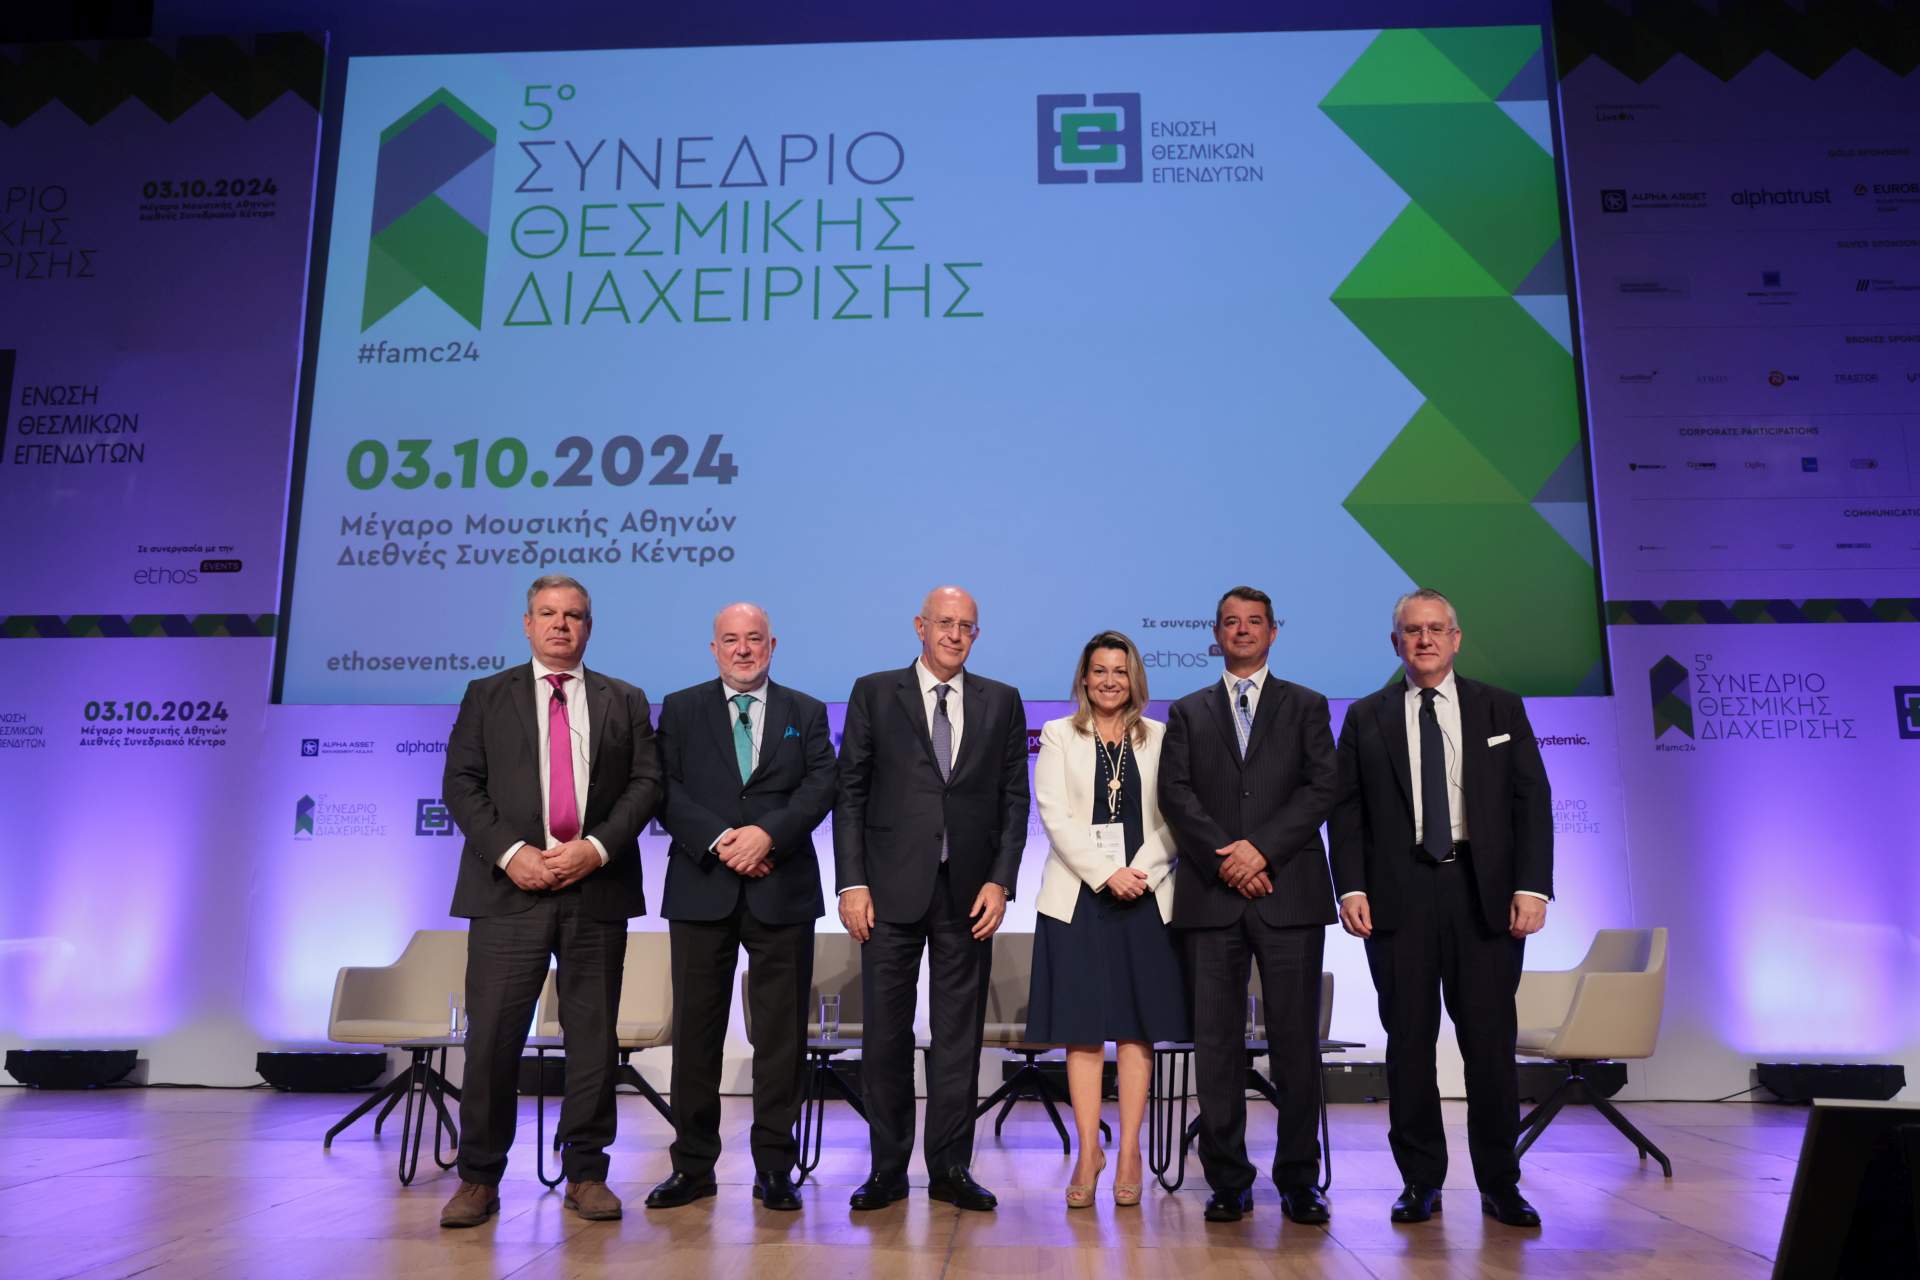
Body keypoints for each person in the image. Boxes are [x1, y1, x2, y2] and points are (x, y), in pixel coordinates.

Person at [438, 575, 663, 1228]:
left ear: (589, 626)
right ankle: (479, 1178)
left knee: (592, 1041)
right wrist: (513, 854)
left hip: (596, 889)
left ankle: (587, 1173)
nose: (561, 625)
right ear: (527, 624)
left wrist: (596, 847)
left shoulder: (626, 699)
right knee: (492, 1041)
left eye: (574, 615)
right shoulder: (487, 695)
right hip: (509, 891)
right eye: (548, 613)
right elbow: (461, 783)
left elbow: (646, 784)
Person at [1331, 587, 1552, 1229]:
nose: (1424, 639)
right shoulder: (1366, 716)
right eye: (1412, 630)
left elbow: (1532, 801)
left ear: (1456, 639)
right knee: (1408, 1044)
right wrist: (1351, 888)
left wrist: (1533, 887)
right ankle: (1420, 1181)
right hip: (1398, 898)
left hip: (1483, 896)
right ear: (1395, 642)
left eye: (1435, 629)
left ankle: (1500, 1184)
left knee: (1489, 1045)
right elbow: (1346, 812)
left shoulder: (1499, 707)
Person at [834, 586, 1031, 1212]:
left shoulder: (1001, 700)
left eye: (966, 626)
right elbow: (850, 793)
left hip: (969, 895)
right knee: (885, 1039)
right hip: (887, 892)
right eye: (944, 623)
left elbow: (1013, 800)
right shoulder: (874, 692)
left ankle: (949, 1168)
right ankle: (888, 1170)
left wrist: (1001, 881)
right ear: (920, 626)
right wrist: (851, 882)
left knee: (958, 1039)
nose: (954, 635)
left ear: (977, 635)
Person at [645, 603, 838, 1213]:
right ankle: (692, 1166)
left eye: (754, 639)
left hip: (782, 887)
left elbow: (821, 785)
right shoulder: (681, 708)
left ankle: (774, 1167)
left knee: (780, 1037)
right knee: (695, 1036)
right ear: (714, 649)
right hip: (702, 883)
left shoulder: (805, 711)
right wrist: (723, 840)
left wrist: (767, 836)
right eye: (731, 640)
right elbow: (663, 787)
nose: (743, 649)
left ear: (772, 645)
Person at [1158, 586, 1337, 1224]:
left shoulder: (1307, 704)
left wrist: (1260, 851)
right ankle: (1228, 1179)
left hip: (1288, 892)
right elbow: (1176, 795)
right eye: (1231, 622)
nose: (1242, 630)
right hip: (1211, 898)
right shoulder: (1187, 711)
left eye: (1253, 621)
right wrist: (1226, 859)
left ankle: (1299, 1180)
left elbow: (1322, 787)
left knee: (1296, 1045)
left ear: (1272, 632)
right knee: (1216, 1046)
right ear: (1216, 633)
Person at [1026, 630, 1189, 1209]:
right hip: (1079, 898)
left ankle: (1129, 1153)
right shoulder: (1058, 734)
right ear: (1084, 678)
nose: (1110, 681)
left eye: (1120, 671)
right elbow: (1054, 815)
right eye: (1099, 670)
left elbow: (1176, 817)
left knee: (1136, 1028)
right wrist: (1106, 873)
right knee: (1083, 1027)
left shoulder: (1163, 737)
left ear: (1134, 678)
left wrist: (1137, 873)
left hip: (1145, 896)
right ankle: (1089, 1152)